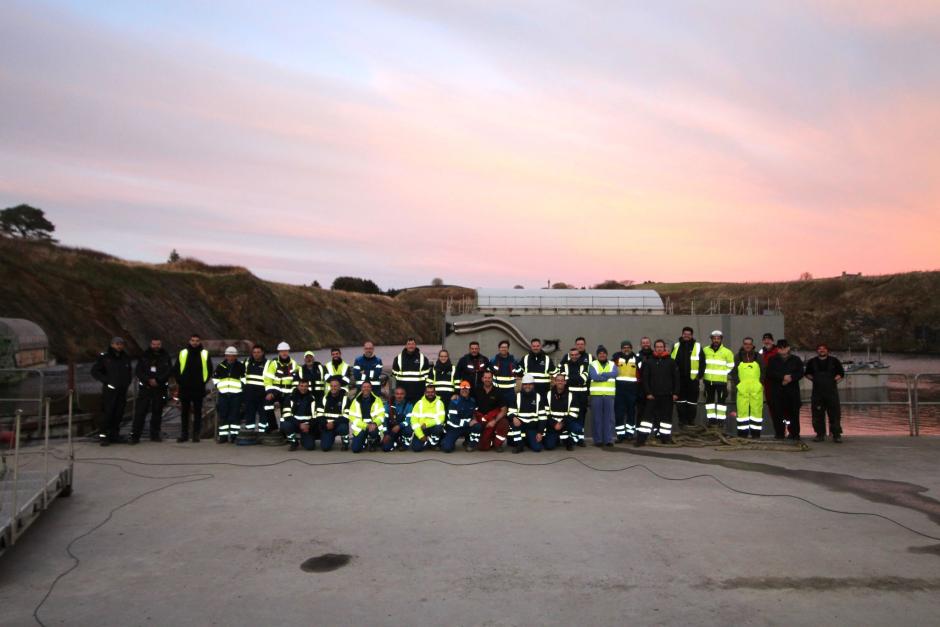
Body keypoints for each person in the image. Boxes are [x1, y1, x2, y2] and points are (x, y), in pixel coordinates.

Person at [91, 336, 133, 446]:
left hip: (122, 390)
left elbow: (129, 371)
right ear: (112, 344)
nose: (119, 346)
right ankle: (103, 436)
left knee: (119, 413)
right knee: (107, 413)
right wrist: (107, 381)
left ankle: (115, 435)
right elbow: (95, 371)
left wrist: (127, 382)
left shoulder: (125, 357)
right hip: (110, 391)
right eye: (117, 344)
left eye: (121, 344)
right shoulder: (105, 357)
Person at [636, 339, 679, 446]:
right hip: (652, 396)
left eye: (661, 346)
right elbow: (645, 379)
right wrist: (648, 393)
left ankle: (665, 438)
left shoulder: (671, 362)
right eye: (657, 347)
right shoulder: (649, 362)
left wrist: (675, 393)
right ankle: (641, 439)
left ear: (664, 348)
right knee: (647, 419)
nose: (659, 348)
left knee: (666, 418)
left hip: (667, 395)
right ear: (654, 348)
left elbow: (676, 379)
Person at [131, 337, 171, 443]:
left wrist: (158, 380)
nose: (156, 346)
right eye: (154, 344)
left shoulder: (166, 356)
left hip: (160, 388)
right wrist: (148, 380)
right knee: (140, 412)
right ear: (151, 344)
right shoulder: (144, 356)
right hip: (145, 388)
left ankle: (155, 435)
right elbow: (138, 371)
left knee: (157, 412)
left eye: (158, 344)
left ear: (161, 344)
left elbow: (169, 371)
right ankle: (135, 435)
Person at [174, 333, 212, 443]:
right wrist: (180, 381)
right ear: (189, 341)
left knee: (198, 412)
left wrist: (203, 382)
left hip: (198, 387)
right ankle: (184, 434)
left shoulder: (205, 353)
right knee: (184, 412)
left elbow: (209, 369)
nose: (195, 342)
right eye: (193, 340)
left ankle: (196, 435)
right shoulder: (183, 353)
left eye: (197, 340)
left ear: (200, 342)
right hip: (185, 387)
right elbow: (176, 369)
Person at [805, 344, 845, 443]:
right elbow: (807, 374)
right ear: (817, 351)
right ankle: (819, 434)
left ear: (827, 350)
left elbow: (841, 373)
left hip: (831, 392)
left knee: (834, 414)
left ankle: (836, 435)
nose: (822, 350)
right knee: (817, 415)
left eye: (824, 349)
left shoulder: (834, 361)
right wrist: (815, 379)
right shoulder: (812, 362)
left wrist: (833, 380)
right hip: (817, 393)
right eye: (819, 349)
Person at [766, 339, 804, 440]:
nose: (782, 349)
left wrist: (791, 378)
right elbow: (769, 373)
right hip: (777, 392)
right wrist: (782, 377)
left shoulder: (796, 360)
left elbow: (801, 372)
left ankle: (794, 434)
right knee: (777, 414)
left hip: (792, 392)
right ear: (777, 349)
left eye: (784, 347)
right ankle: (779, 433)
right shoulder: (772, 360)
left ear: (788, 348)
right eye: (780, 348)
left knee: (794, 415)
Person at [730, 337, 764, 438]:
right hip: (742, 389)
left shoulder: (758, 356)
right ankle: (742, 435)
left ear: (752, 345)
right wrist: (738, 384)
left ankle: (756, 435)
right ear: (743, 345)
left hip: (756, 389)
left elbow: (764, 370)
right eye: (745, 344)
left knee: (757, 412)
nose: (747, 345)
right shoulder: (738, 357)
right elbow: (734, 372)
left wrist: (760, 383)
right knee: (742, 412)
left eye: (749, 344)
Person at [671, 327, 704, 427]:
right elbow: (672, 361)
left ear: (692, 335)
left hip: (692, 379)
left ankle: (691, 420)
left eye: (689, 334)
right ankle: (682, 420)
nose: (686, 336)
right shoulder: (676, 345)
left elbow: (702, 362)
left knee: (692, 402)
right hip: (679, 379)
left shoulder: (697, 346)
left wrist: (699, 376)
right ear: (682, 334)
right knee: (680, 401)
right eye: (685, 334)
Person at [702, 330, 736, 429]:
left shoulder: (727, 352)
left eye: (718, 338)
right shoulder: (705, 350)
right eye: (714, 338)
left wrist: (723, 373)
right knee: (709, 402)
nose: (716, 340)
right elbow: (702, 364)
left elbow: (731, 365)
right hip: (708, 381)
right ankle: (711, 421)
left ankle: (721, 422)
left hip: (721, 382)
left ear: (721, 339)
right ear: (711, 339)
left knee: (721, 402)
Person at [263, 342, 299, 432]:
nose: (284, 353)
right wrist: (269, 392)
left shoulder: (294, 364)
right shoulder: (274, 364)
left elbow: (298, 379)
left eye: (286, 351)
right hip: (276, 390)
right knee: (267, 404)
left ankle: (284, 430)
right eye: (282, 351)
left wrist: (294, 392)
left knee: (286, 412)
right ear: (279, 352)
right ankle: (273, 425)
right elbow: (268, 379)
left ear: (288, 351)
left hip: (288, 391)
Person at [212, 346, 245, 443]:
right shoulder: (221, 366)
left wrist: (240, 387)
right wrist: (219, 386)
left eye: (232, 356)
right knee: (223, 416)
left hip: (236, 395)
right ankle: (223, 436)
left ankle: (234, 436)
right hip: (223, 395)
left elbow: (244, 379)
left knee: (235, 416)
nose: (230, 357)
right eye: (229, 355)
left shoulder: (240, 366)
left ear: (235, 356)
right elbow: (215, 378)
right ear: (226, 356)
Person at [558, 347, 589, 447]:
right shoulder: (564, 365)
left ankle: (580, 439)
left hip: (582, 396)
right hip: (569, 396)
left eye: (576, 354)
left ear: (579, 355)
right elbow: (563, 380)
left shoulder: (584, 365)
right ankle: (568, 439)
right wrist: (576, 379)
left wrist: (570, 379)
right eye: (572, 355)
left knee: (581, 417)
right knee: (569, 416)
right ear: (569, 355)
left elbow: (583, 379)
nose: (574, 356)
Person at [509, 374, 547, 453]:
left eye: (530, 384)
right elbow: (510, 412)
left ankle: (528, 441)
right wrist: (514, 418)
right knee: (513, 426)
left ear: (533, 385)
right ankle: (519, 445)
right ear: (522, 385)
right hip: (520, 425)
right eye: (525, 384)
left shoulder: (538, 397)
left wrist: (540, 432)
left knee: (537, 448)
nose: (527, 386)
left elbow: (543, 417)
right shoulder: (517, 396)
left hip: (532, 427)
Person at [589, 346, 618, 446]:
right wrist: (607, 376)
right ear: (597, 355)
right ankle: (598, 440)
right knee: (597, 419)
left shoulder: (612, 364)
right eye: (600, 353)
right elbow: (594, 377)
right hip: (596, 395)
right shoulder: (593, 364)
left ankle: (608, 440)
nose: (602, 354)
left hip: (609, 396)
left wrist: (603, 374)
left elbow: (615, 373)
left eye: (604, 353)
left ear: (606, 354)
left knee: (609, 419)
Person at [441, 381, 482, 452]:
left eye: (466, 389)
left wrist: (474, 420)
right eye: (463, 389)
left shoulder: (472, 401)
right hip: (455, 428)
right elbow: (453, 420)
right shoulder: (454, 401)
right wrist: (468, 423)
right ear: (460, 390)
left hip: (467, 428)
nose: (464, 391)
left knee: (477, 426)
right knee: (446, 448)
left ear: (469, 390)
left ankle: (471, 444)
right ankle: (448, 442)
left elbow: (474, 413)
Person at [611, 340, 639, 442]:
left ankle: (630, 434)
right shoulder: (616, 359)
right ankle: (620, 436)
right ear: (621, 349)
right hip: (619, 391)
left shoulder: (637, 359)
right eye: (624, 347)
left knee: (631, 413)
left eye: (628, 347)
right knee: (619, 414)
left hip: (632, 391)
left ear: (631, 348)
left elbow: (640, 374)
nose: (626, 349)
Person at [474, 371, 509, 452]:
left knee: (504, 423)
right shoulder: (476, 390)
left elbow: (504, 410)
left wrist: (494, 421)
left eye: (489, 378)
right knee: (483, 447)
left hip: (494, 418)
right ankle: (485, 440)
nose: (487, 380)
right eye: (485, 378)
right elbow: (470, 404)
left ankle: (497, 444)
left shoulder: (498, 391)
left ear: (492, 379)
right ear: (482, 379)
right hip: (481, 419)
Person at [544, 373, 580, 451]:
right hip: (553, 425)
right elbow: (545, 413)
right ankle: (558, 438)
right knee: (549, 446)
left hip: (566, 424)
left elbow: (574, 413)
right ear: (555, 382)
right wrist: (554, 424)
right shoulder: (548, 394)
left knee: (577, 428)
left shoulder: (571, 395)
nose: (560, 382)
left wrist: (562, 423)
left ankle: (569, 441)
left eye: (562, 380)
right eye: (558, 380)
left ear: (565, 382)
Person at [281, 379, 317, 451]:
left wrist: (309, 426)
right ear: (298, 386)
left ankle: (305, 439)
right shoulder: (290, 397)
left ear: (308, 387)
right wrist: (299, 424)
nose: (303, 388)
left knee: (310, 447)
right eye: (301, 386)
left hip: (307, 427)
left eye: (306, 386)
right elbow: (286, 415)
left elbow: (315, 416)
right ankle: (294, 442)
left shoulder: (312, 398)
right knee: (285, 424)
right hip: (294, 424)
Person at [392, 338, 430, 404]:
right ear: (406, 346)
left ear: (415, 345)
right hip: (402, 396)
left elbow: (427, 378)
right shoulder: (398, 358)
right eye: (409, 344)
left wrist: (426, 392)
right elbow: (394, 377)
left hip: (418, 395)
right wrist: (395, 392)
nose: (411, 346)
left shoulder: (423, 358)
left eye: (412, 344)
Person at [410, 383, 446, 452]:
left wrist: (426, 424)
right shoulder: (419, 403)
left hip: (434, 428)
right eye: (428, 392)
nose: (430, 394)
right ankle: (427, 441)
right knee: (416, 448)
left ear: (435, 392)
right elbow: (414, 421)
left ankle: (433, 444)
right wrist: (421, 436)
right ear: (425, 393)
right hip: (422, 429)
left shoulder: (439, 403)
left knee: (438, 427)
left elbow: (441, 419)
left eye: (432, 392)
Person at [317, 376, 350, 451]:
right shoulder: (324, 398)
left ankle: (345, 442)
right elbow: (319, 414)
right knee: (325, 448)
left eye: (335, 386)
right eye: (331, 386)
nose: (333, 388)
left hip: (338, 425)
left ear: (339, 387)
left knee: (344, 427)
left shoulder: (345, 399)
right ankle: (329, 438)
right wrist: (326, 424)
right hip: (327, 426)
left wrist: (334, 423)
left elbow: (347, 416)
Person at [241, 345, 268, 432]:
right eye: (254, 352)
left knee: (263, 415)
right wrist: (244, 390)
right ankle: (249, 433)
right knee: (249, 414)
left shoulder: (267, 364)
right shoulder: (246, 363)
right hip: (249, 394)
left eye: (258, 352)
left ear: (262, 353)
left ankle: (263, 433)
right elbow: (242, 377)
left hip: (263, 394)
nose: (256, 354)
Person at [382, 386, 414, 452]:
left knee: (409, 429)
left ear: (404, 395)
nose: (399, 396)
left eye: (401, 394)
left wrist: (399, 426)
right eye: (397, 394)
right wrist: (387, 434)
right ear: (394, 394)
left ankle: (404, 443)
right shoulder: (388, 404)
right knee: (386, 448)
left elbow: (408, 420)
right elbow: (384, 420)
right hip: (392, 429)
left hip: (403, 428)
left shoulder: (409, 405)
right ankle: (395, 441)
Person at [759, 333, 780, 432]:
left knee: (781, 406)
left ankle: (785, 430)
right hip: (766, 383)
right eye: (765, 339)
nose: (767, 341)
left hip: (777, 383)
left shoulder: (777, 351)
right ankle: (778, 430)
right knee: (771, 405)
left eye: (769, 339)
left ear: (772, 341)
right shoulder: (761, 352)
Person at [488, 340, 518, 406]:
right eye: (502, 347)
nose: (503, 349)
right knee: (497, 408)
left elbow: (519, 372)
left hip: (510, 391)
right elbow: (488, 374)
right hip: (497, 390)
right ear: (499, 349)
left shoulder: (514, 361)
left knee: (511, 408)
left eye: (505, 347)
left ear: (508, 348)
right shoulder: (493, 361)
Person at [635, 337, 654, 423]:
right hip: (641, 388)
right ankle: (640, 433)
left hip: (654, 387)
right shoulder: (637, 356)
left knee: (654, 412)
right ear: (641, 344)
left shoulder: (655, 355)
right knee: (641, 411)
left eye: (647, 342)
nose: (645, 344)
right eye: (643, 343)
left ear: (650, 343)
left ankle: (655, 433)